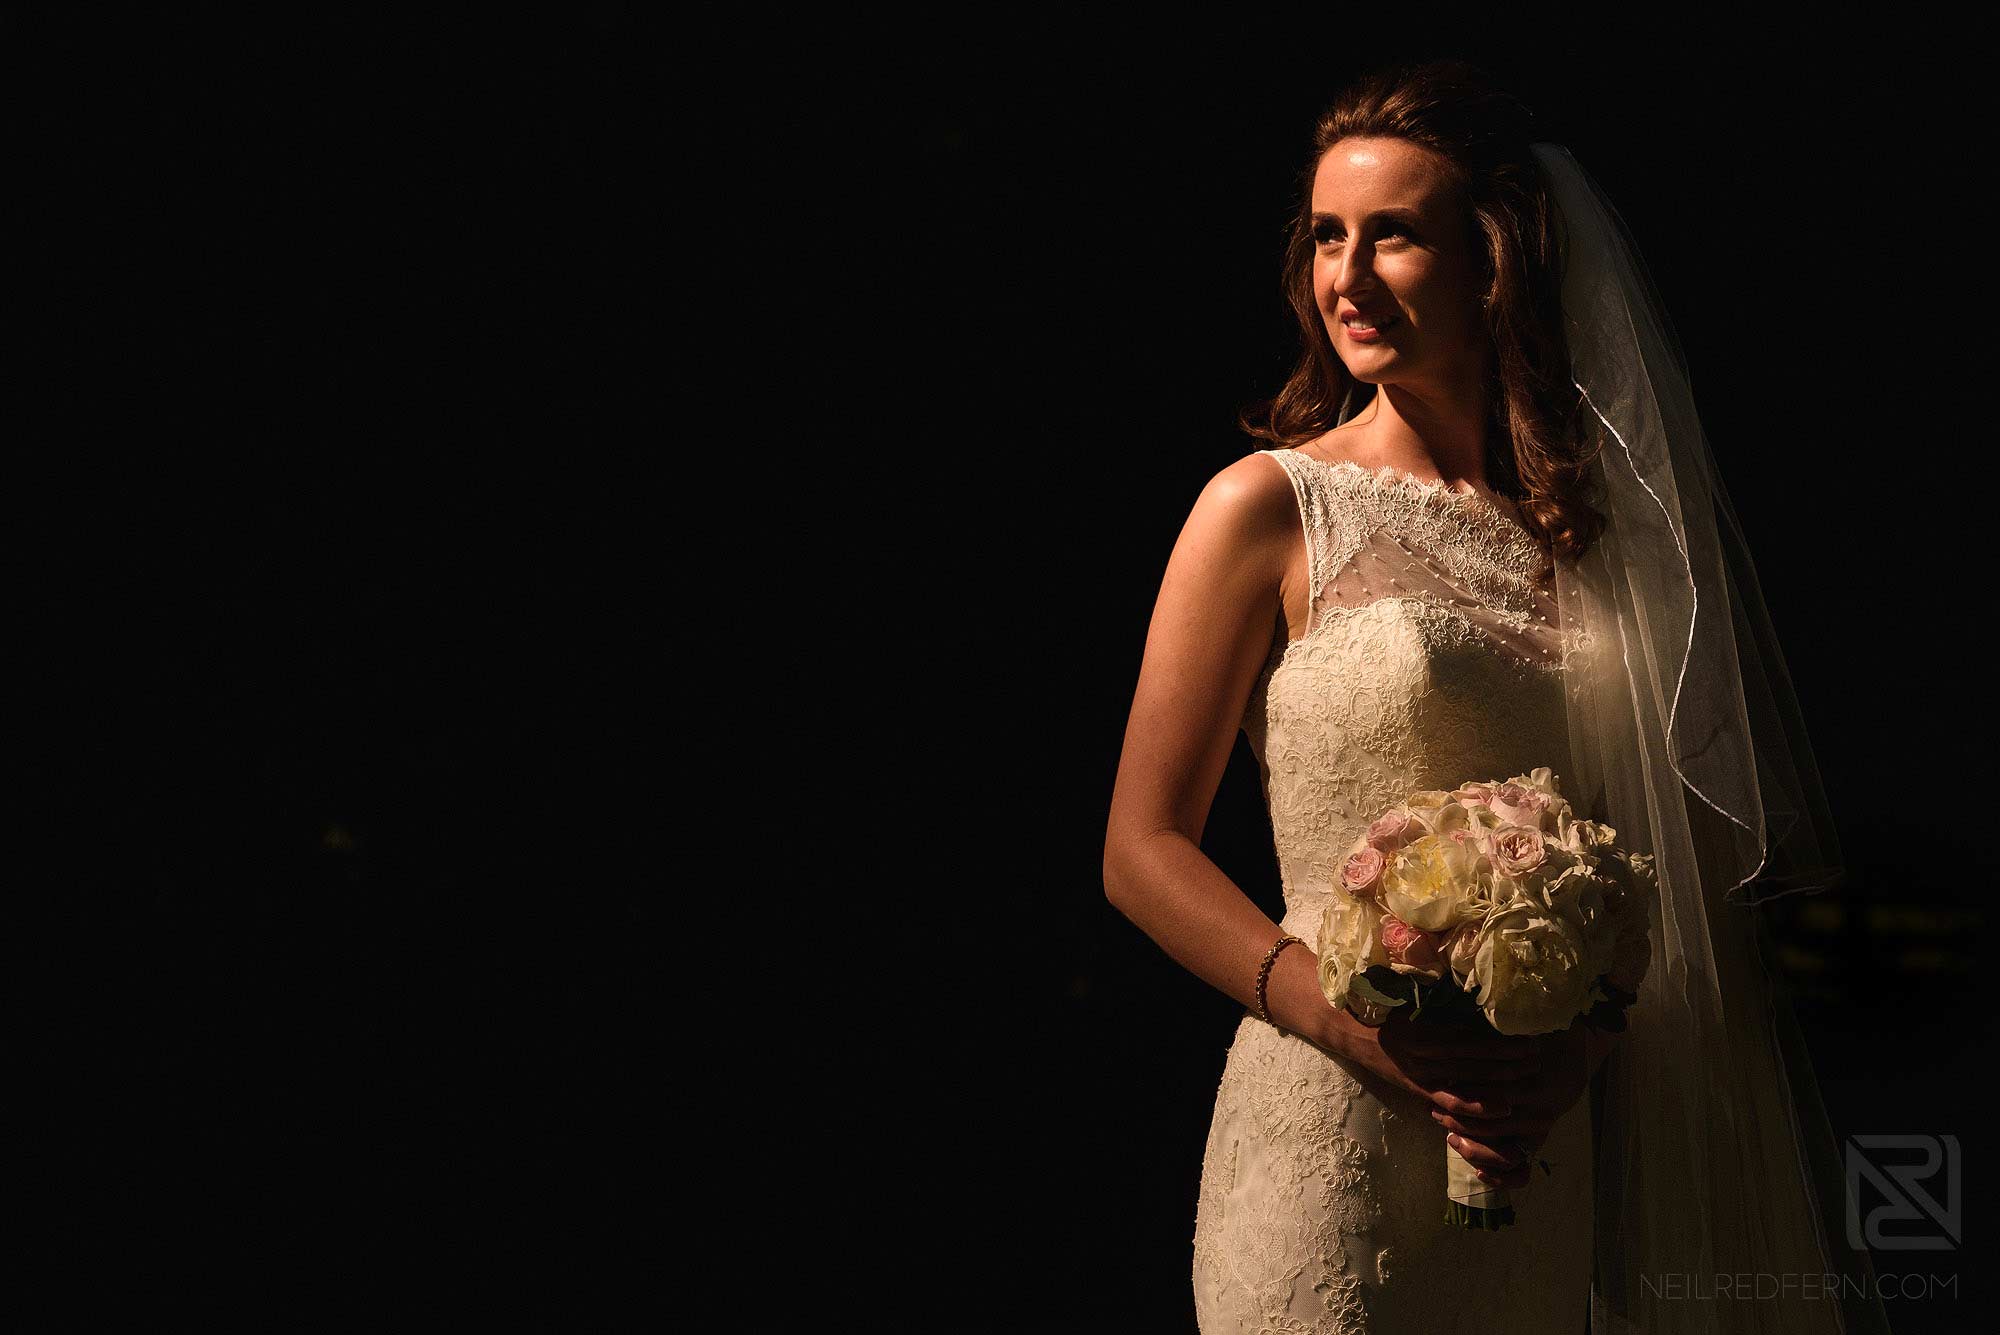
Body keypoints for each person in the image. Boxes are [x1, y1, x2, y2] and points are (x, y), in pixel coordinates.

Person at [1101, 59, 1888, 1334]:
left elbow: (1661, 881)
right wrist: (1349, 1028)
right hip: (1328, 1130)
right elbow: (1137, 851)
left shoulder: (1586, 543)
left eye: (1393, 235)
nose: (1345, 278)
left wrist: (1569, 1054)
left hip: (1535, 1138)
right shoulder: (1265, 506)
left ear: (1495, 260)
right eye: (1325, 238)